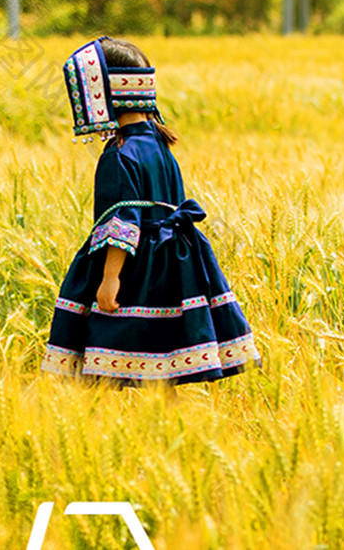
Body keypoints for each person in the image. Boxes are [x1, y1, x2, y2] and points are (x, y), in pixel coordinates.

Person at [42, 36, 260, 385]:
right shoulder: (160, 145)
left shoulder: (118, 154)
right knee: (162, 365)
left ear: (101, 94)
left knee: (104, 362)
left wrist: (110, 278)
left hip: (133, 267)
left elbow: (121, 222)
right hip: (174, 263)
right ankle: (165, 429)